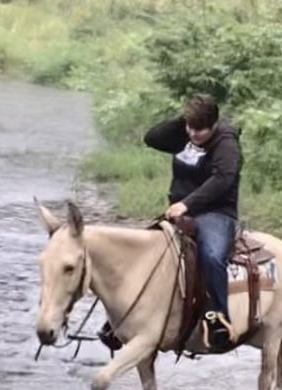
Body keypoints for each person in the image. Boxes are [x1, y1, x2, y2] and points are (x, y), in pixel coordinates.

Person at [98, 93, 243, 352]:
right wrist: (184, 121)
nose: (195, 134)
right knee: (142, 252)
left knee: (211, 256)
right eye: (191, 128)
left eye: (201, 129)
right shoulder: (187, 134)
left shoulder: (226, 143)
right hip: (179, 213)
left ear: (214, 125)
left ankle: (218, 316)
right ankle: (123, 318)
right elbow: (152, 138)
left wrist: (187, 204)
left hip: (215, 212)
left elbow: (224, 179)